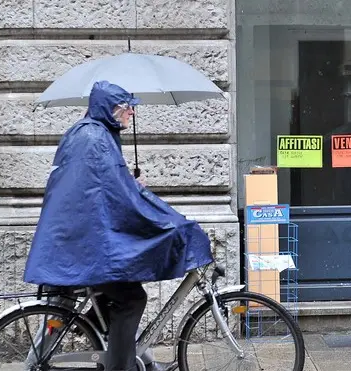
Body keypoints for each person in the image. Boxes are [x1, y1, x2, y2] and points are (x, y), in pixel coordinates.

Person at [24, 81, 214, 371]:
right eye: (127, 108)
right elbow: (115, 197)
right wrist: (166, 221)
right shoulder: (96, 139)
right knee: (132, 299)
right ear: (110, 109)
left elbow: (105, 187)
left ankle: (128, 354)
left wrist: (129, 184)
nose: (131, 114)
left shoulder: (86, 132)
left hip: (75, 240)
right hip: (87, 246)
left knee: (116, 296)